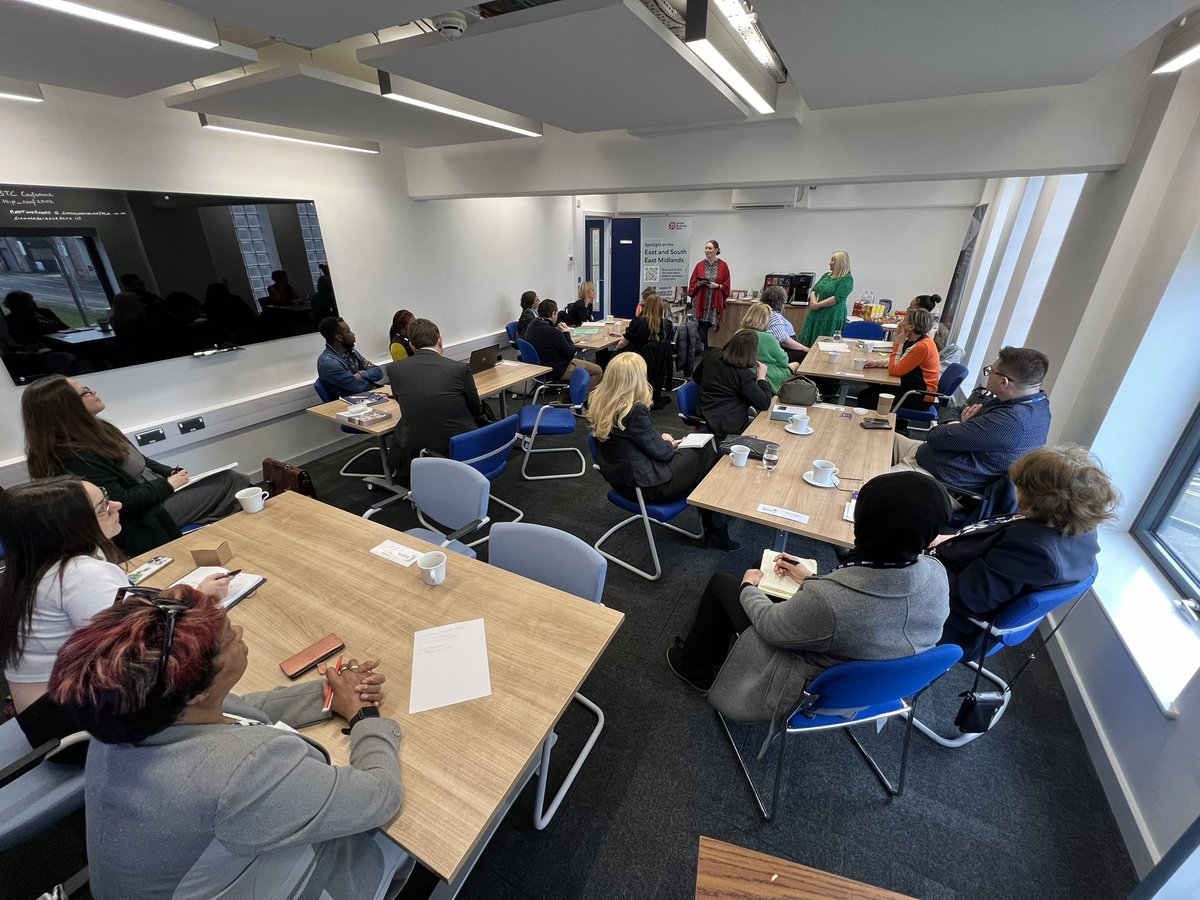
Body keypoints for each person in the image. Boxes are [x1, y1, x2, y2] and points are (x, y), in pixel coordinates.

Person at [47, 585, 411, 900]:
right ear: (191, 693)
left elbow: (237, 710)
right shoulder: (242, 774)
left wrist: (329, 695)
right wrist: (364, 717)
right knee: (409, 838)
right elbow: (379, 794)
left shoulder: (125, 716)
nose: (240, 629)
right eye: (227, 638)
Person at [665, 473, 952, 718]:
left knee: (725, 582)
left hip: (808, 686)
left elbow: (771, 625)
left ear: (863, 527)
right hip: (878, 683)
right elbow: (867, 602)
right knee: (765, 575)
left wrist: (749, 587)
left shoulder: (829, 601)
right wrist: (812, 580)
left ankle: (695, 670)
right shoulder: (936, 573)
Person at [0, 478, 233, 715]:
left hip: (53, 707)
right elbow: (144, 648)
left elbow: (130, 617)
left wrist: (188, 595)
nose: (118, 505)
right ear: (69, 527)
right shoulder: (80, 574)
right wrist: (197, 600)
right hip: (74, 719)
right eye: (103, 507)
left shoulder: (34, 567)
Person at [21, 376, 249, 557]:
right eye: (86, 392)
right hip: (142, 516)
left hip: (160, 494)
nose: (94, 393)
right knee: (230, 480)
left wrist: (170, 472)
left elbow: (142, 460)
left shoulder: (100, 428)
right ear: (68, 407)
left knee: (226, 482)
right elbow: (122, 502)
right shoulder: (73, 455)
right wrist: (167, 485)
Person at [931, 445, 1117, 651]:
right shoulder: (1079, 528)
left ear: (1042, 499)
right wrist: (954, 539)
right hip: (957, 567)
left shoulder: (1032, 549)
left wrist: (921, 564)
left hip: (951, 618)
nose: (1015, 490)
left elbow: (967, 597)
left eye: (1019, 486)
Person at [587, 353, 737, 550]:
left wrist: (661, 442)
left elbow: (632, 442)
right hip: (648, 488)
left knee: (702, 452)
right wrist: (667, 443)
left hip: (621, 481)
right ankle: (717, 527)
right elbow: (663, 454)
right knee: (708, 449)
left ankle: (715, 524)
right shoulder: (634, 410)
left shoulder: (601, 402)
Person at [892, 346, 1051, 493]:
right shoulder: (1032, 402)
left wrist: (956, 425)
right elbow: (957, 409)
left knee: (870, 482)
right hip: (929, 457)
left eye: (991, 371)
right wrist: (957, 425)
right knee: (878, 436)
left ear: (1004, 382)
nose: (987, 374)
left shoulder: (1011, 421)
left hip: (938, 481)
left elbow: (935, 437)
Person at [386, 318, 488, 472]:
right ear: (439, 340)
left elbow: (403, 403)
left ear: (412, 346)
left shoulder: (394, 369)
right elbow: (475, 409)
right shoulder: (459, 368)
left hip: (414, 442)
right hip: (457, 442)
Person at [691, 330, 772, 441]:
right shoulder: (743, 375)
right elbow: (764, 403)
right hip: (726, 427)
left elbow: (696, 377)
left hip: (705, 414)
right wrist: (761, 377)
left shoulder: (712, 355)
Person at [857, 308, 940, 414]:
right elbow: (901, 360)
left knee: (867, 397)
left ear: (911, 326)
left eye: (904, 321)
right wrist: (875, 363)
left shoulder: (922, 346)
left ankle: (878, 425)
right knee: (872, 389)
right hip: (909, 387)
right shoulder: (915, 340)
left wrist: (898, 343)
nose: (900, 323)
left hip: (918, 396)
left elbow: (894, 370)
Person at [524, 299, 603, 393]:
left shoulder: (532, 325)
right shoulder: (553, 333)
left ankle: (567, 397)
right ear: (553, 313)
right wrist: (566, 333)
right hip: (554, 370)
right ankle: (581, 400)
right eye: (556, 314)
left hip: (538, 367)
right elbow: (571, 353)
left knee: (579, 362)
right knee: (597, 370)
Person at [738, 302, 799, 393]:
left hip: (742, 372)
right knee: (796, 364)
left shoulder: (738, 333)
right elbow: (784, 362)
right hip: (766, 374)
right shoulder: (768, 338)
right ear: (766, 319)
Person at [797, 250, 854, 347]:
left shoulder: (847, 279)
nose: (829, 263)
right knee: (808, 340)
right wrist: (814, 304)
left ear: (840, 263)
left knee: (824, 343)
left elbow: (837, 298)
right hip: (816, 314)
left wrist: (818, 305)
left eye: (833, 260)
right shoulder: (826, 276)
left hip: (831, 316)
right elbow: (814, 290)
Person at [316, 316, 383, 397]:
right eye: (348, 331)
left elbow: (378, 372)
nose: (353, 334)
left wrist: (361, 374)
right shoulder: (328, 362)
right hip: (352, 404)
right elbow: (359, 387)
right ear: (339, 337)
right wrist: (370, 377)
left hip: (369, 395)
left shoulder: (351, 351)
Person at [688, 239, 730, 350]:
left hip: (713, 302)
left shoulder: (723, 266)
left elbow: (726, 285)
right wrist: (700, 283)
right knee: (700, 328)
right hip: (700, 301)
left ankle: (702, 352)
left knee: (704, 328)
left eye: (710, 248)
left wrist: (717, 286)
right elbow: (692, 284)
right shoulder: (700, 265)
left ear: (716, 250)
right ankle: (702, 352)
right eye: (706, 248)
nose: (707, 250)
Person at [762, 285, 809, 364]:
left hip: (782, 348)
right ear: (780, 302)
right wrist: (806, 349)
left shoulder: (767, 312)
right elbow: (784, 341)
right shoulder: (773, 316)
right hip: (783, 350)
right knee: (808, 356)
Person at [3, 290, 68, 343]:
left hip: (63, 340)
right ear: (20, 306)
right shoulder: (11, 321)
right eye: (30, 302)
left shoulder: (45, 312)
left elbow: (64, 327)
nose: (35, 303)